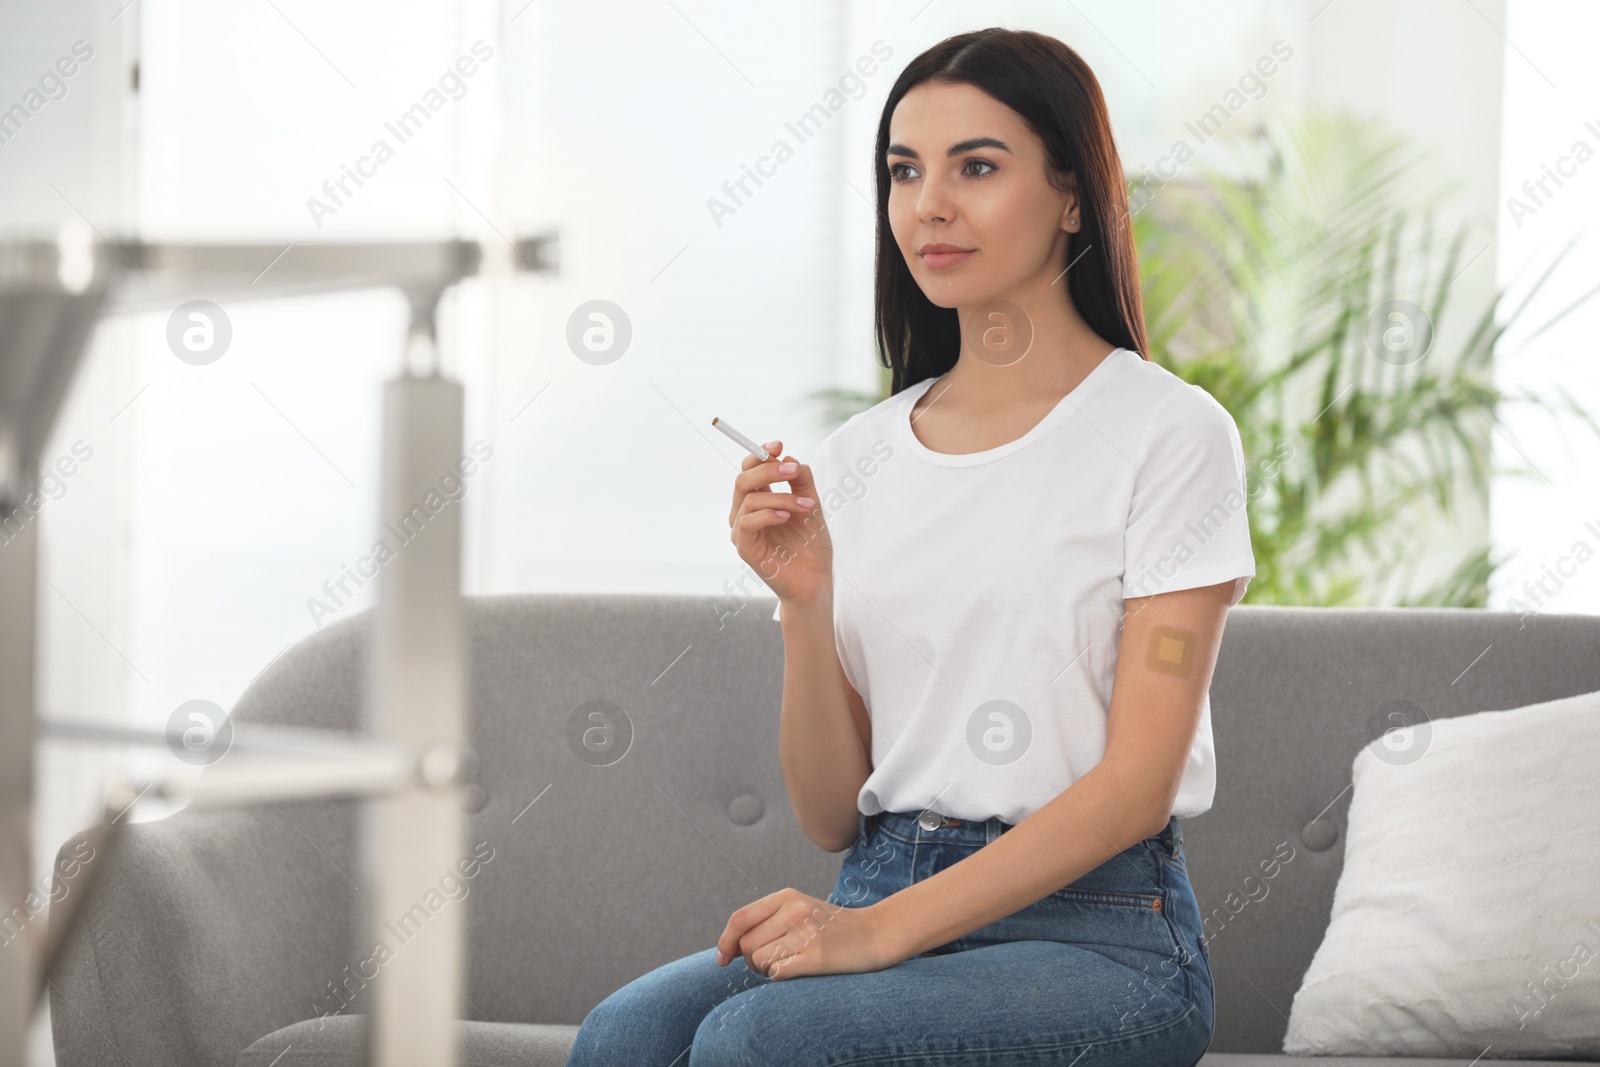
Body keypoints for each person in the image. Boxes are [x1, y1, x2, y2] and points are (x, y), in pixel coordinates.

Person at [566, 25, 1255, 1066]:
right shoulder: (860, 455)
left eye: (976, 166)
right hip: (881, 877)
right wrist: (805, 600)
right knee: (625, 1035)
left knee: (758, 1041)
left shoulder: (1170, 434)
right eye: (903, 170)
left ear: (1071, 194)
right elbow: (833, 813)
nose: (927, 204)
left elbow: (1137, 783)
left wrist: (878, 930)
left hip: (1105, 934)